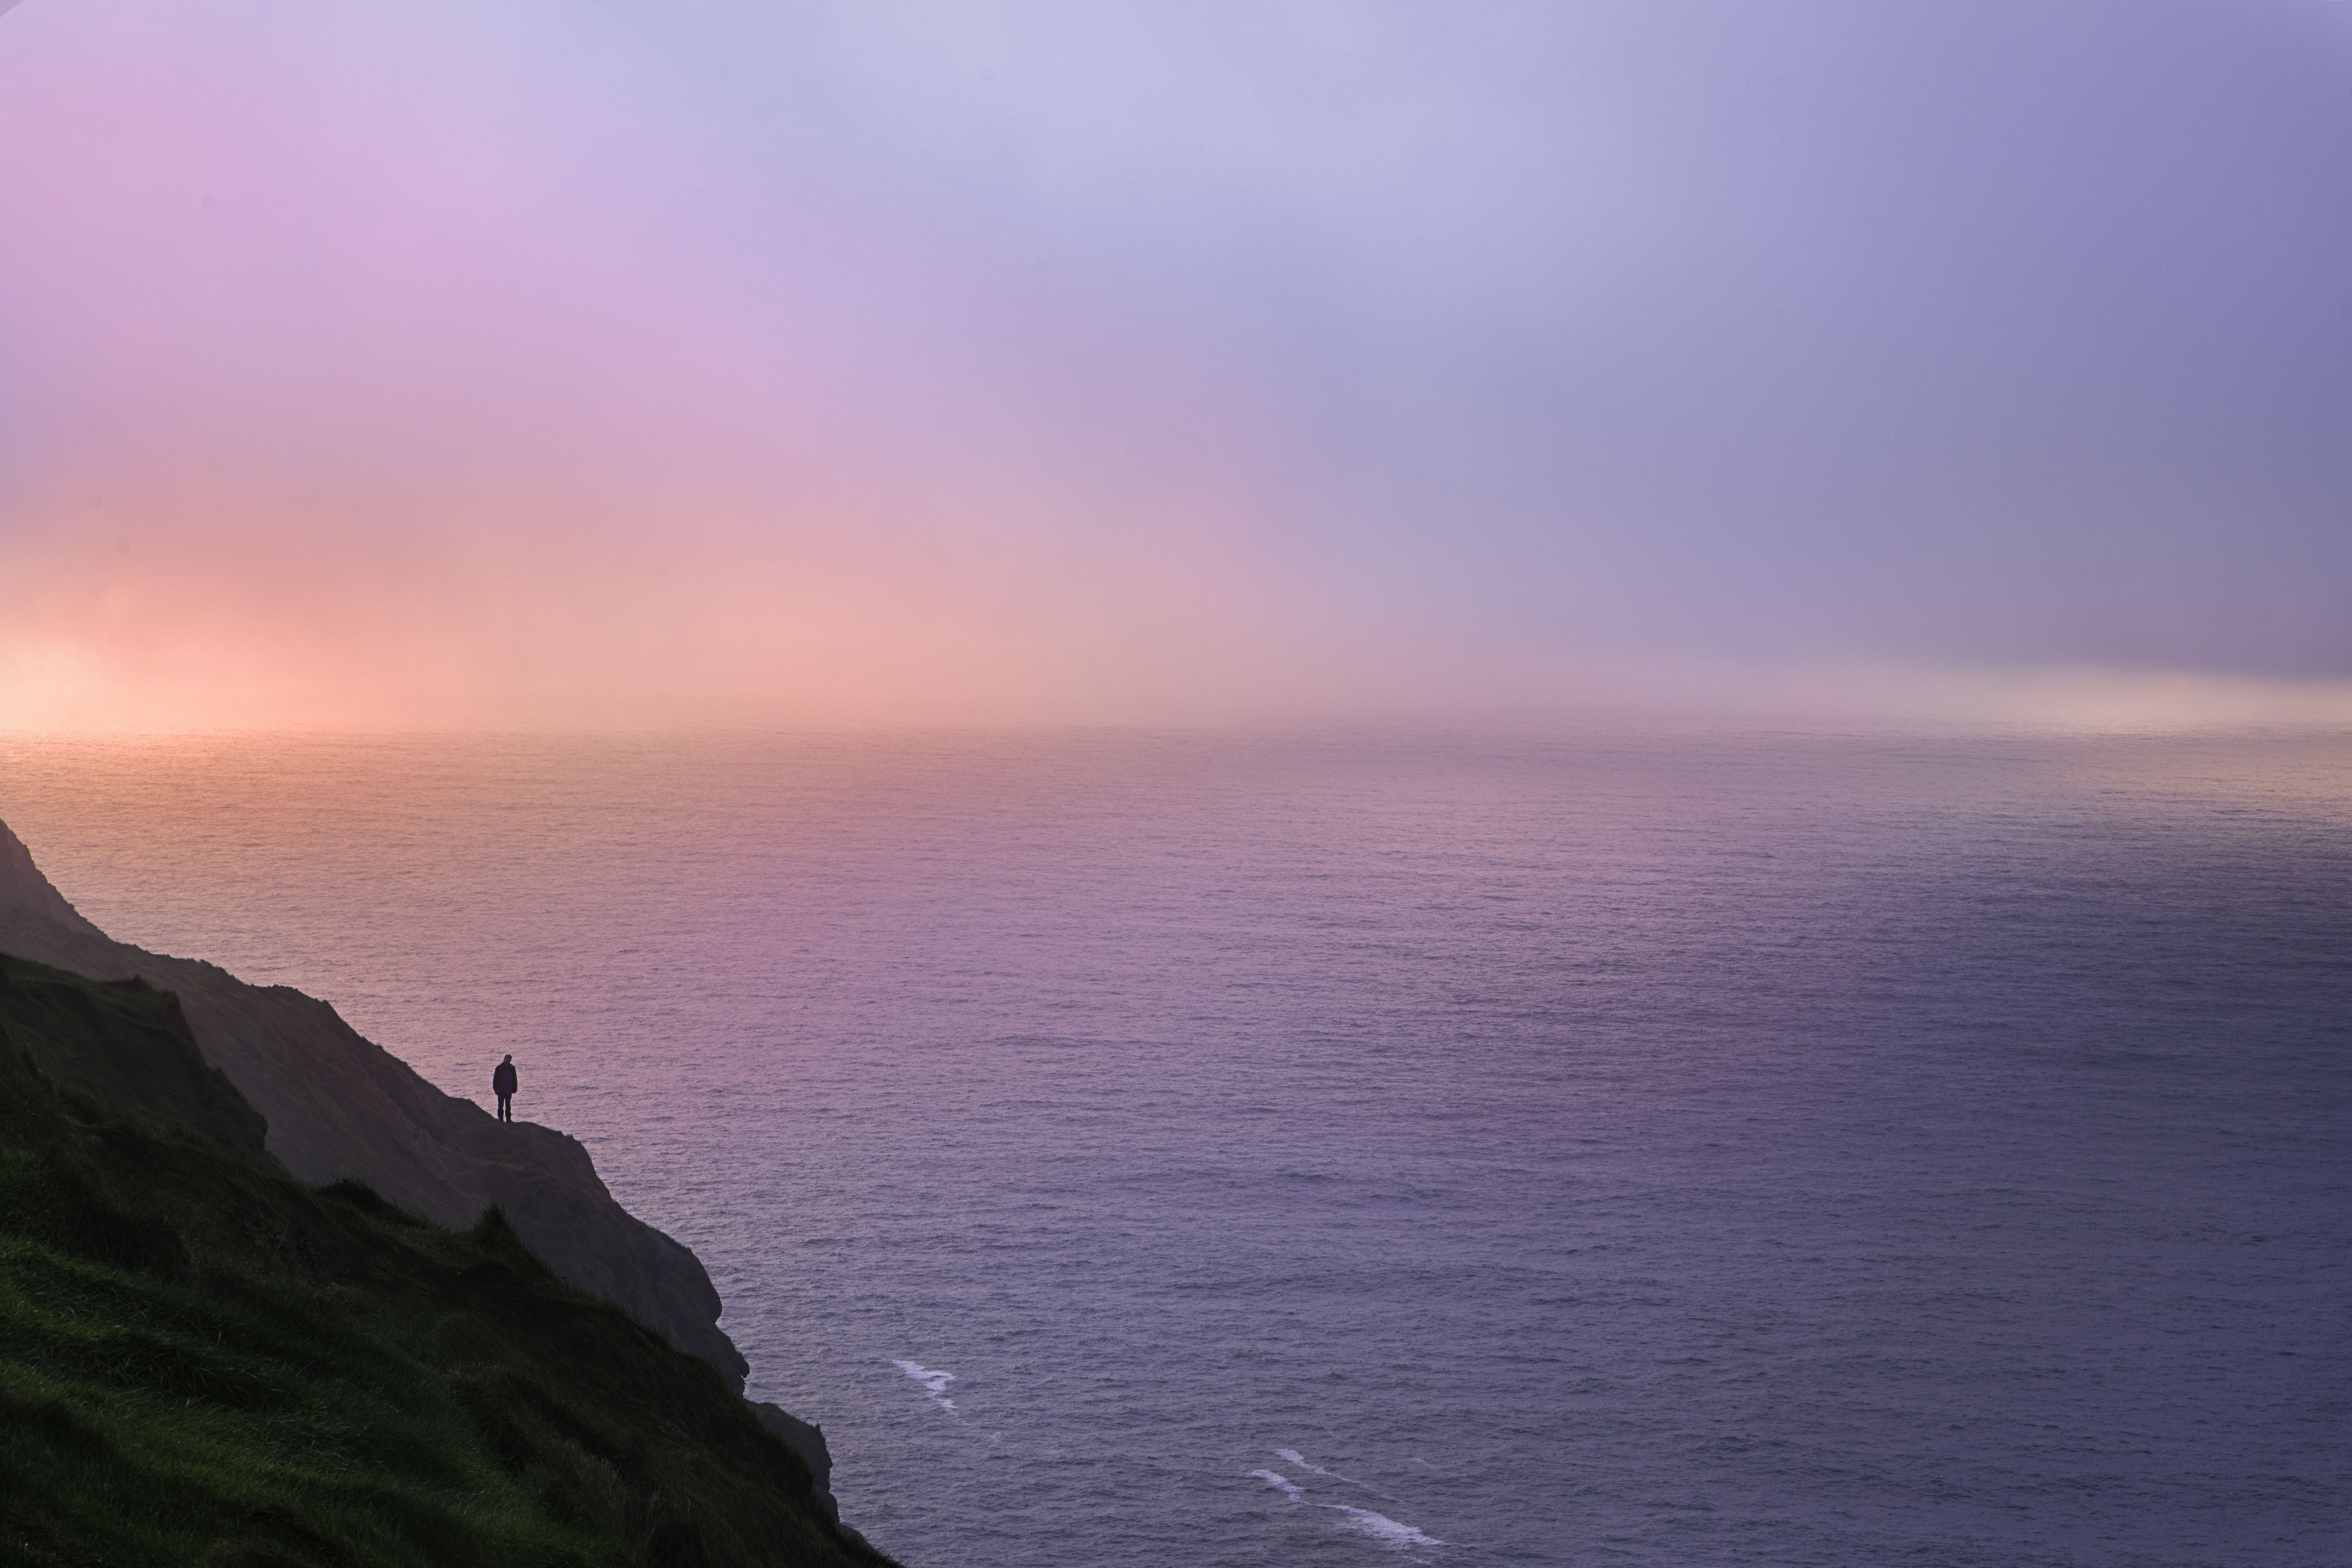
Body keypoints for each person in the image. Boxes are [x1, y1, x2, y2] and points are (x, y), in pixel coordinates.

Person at [492, 1054, 518, 1122]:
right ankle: (501, 1120)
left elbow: (515, 1079)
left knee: (508, 1106)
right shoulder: (499, 1068)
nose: (507, 1060)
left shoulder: (512, 1068)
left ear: (510, 1061)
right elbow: (495, 1079)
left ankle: (509, 1120)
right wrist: (496, 1089)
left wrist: (515, 1089)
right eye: (506, 1059)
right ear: (504, 1059)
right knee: (500, 1105)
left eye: (508, 1059)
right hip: (501, 1091)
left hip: (509, 1090)